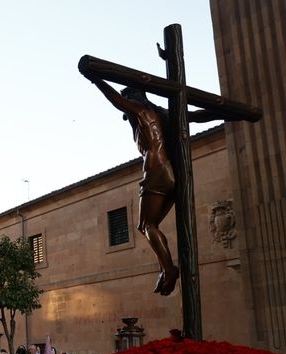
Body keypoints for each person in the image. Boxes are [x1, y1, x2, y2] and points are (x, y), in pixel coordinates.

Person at [85, 73, 222, 296]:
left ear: (132, 98)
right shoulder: (164, 114)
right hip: (172, 173)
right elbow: (196, 115)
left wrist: (96, 79)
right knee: (152, 223)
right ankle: (164, 267)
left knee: (145, 225)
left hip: (155, 170)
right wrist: (222, 112)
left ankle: (169, 269)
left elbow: (115, 99)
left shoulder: (139, 111)